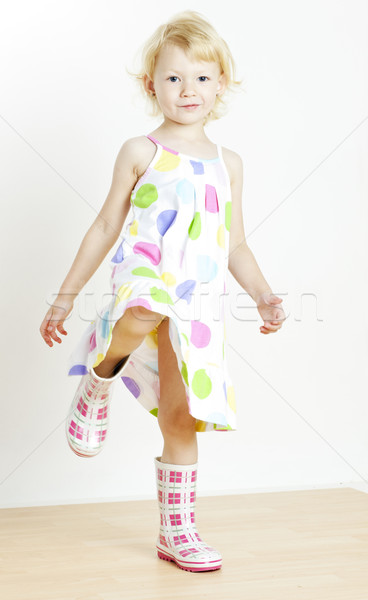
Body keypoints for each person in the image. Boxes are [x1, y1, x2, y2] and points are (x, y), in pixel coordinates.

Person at [39, 9, 286, 572]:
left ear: (222, 83)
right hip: (146, 276)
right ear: (152, 85)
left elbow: (236, 245)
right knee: (146, 305)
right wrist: (64, 296)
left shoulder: (230, 164)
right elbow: (105, 225)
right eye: (174, 78)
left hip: (196, 302)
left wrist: (263, 295)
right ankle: (98, 379)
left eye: (201, 77)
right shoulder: (140, 151)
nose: (188, 89)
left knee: (180, 418)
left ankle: (177, 533)